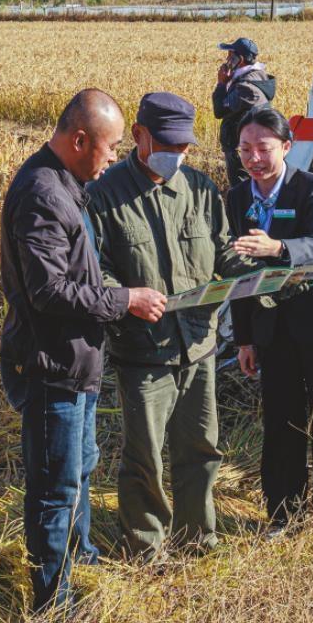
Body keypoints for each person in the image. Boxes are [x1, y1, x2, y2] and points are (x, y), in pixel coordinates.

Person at [0, 88, 167, 613]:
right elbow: (49, 292)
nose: (116, 156)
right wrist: (125, 298)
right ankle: (54, 601)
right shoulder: (43, 194)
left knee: (81, 467)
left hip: (78, 361)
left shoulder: (66, 183)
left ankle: (82, 555)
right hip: (53, 365)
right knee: (53, 489)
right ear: (79, 139)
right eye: (111, 146)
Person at [87, 91, 250, 560]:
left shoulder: (199, 189)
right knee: (144, 457)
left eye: (183, 148)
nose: (176, 156)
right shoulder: (104, 195)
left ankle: (199, 538)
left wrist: (253, 269)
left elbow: (222, 250)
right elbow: (94, 270)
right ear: (139, 135)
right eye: (167, 146)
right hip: (144, 350)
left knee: (201, 448)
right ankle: (146, 548)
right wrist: (129, 299)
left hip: (198, 345)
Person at [227, 106, 313, 530]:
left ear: (286, 146)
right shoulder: (235, 198)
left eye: (263, 148)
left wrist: (278, 249)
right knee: (281, 417)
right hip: (271, 326)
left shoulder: (311, 187)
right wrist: (244, 338)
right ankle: (283, 511)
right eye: (245, 149)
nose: (253, 158)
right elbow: (236, 272)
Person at [212, 37, 275, 184]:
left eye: (229, 56)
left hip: (245, 152)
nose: (226, 60)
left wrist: (221, 84)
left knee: (243, 192)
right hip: (251, 150)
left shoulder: (246, 88)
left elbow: (219, 111)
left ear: (238, 59)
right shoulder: (256, 79)